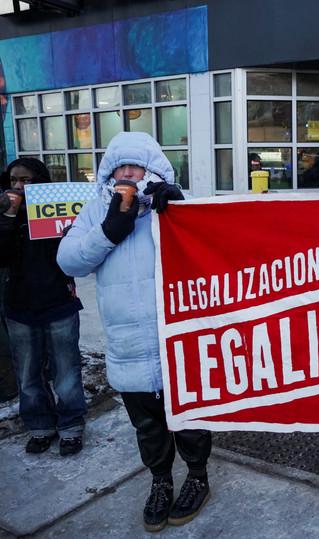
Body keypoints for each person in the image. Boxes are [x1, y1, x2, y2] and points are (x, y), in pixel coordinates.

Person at [57, 132, 212, 531]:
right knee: (147, 426)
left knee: (190, 420)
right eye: (119, 168)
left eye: (136, 167)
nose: (127, 174)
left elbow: (214, 248)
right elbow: (69, 261)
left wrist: (180, 211)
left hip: (176, 341)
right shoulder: (96, 211)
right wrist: (110, 229)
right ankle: (161, 481)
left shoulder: (174, 204)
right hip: (127, 346)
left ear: (153, 170)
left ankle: (198, 477)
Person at [0, 158, 86, 455]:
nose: (18, 186)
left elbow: (74, 255)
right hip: (19, 306)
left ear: (41, 183)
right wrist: (7, 218)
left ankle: (71, 426)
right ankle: (40, 426)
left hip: (58, 301)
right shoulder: (5, 215)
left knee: (66, 370)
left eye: (26, 180)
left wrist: (70, 233)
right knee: (28, 373)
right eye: (13, 180)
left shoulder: (57, 210)